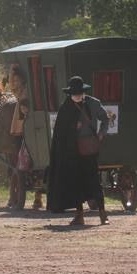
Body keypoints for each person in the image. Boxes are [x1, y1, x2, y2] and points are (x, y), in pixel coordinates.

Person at [47, 76, 110, 226]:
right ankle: (79, 215)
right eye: (73, 93)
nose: (76, 96)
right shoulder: (66, 107)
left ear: (83, 92)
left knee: (94, 182)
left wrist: (101, 134)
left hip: (89, 150)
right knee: (75, 183)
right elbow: (61, 132)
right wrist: (72, 128)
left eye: (78, 93)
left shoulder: (93, 103)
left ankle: (103, 214)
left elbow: (105, 119)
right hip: (72, 151)